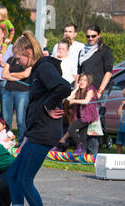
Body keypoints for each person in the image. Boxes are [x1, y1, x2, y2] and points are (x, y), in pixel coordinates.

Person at [6, 31, 71, 206]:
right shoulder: (37, 70)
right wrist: (26, 136)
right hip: (35, 131)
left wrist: (49, 105)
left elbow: (63, 87)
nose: (18, 62)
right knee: (12, 174)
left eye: (19, 58)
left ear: (28, 52)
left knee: (24, 178)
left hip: (45, 132)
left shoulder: (44, 67)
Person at [78, 25, 114, 154]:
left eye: (93, 36)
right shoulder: (82, 52)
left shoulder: (105, 51)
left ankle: (93, 154)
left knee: (92, 123)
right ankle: (83, 150)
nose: (90, 38)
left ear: (99, 35)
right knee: (82, 122)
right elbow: (79, 73)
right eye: (88, 36)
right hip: (83, 92)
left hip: (96, 91)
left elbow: (108, 72)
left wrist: (100, 91)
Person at [51, 73, 99, 155]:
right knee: (82, 134)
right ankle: (83, 153)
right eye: (80, 80)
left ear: (88, 82)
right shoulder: (79, 90)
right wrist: (76, 88)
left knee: (71, 129)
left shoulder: (90, 89)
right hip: (81, 116)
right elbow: (69, 98)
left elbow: (86, 101)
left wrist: (74, 101)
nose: (82, 82)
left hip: (88, 116)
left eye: (84, 80)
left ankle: (80, 147)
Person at [1, 51, 31, 145]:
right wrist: (18, 75)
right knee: (6, 119)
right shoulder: (11, 59)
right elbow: (3, 74)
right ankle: (7, 142)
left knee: (21, 120)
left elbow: (26, 74)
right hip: (8, 91)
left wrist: (11, 74)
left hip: (23, 92)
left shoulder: (29, 60)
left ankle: (21, 143)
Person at [116, 89, 125, 154]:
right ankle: (118, 157)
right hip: (121, 128)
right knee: (119, 143)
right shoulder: (123, 103)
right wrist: (121, 105)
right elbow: (118, 114)